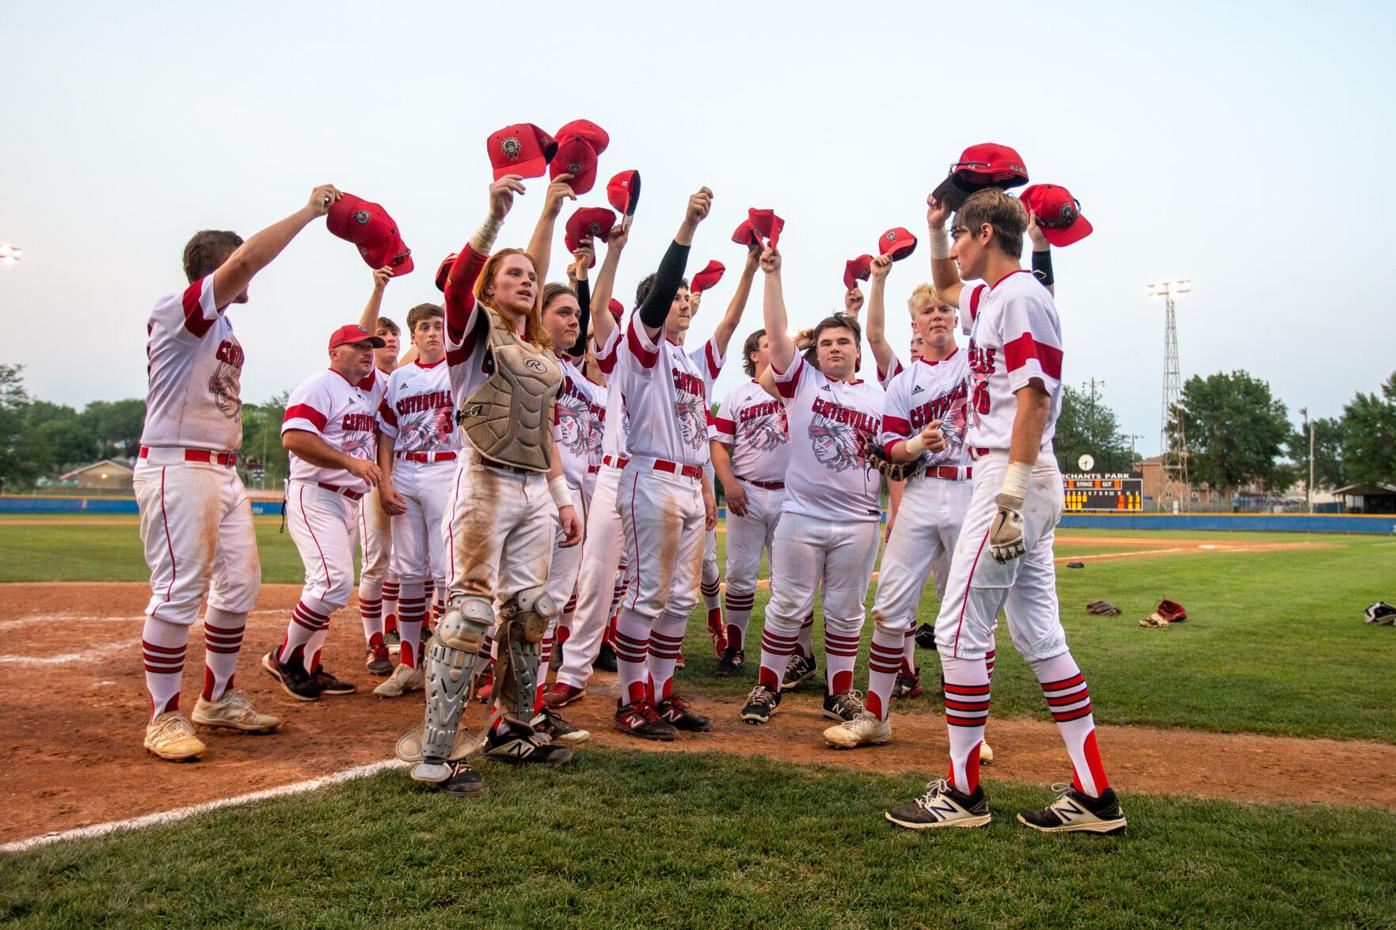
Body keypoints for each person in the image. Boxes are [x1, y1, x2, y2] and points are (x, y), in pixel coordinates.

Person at [884, 188, 1125, 834]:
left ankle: (962, 794)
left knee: (960, 629)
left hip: (1010, 474)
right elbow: (944, 280)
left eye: (962, 235)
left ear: (986, 233)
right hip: (1016, 474)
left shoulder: (1019, 297)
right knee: (1041, 638)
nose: (956, 249)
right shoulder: (996, 296)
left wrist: (1010, 495)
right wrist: (935, 230)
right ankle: (1095, 795)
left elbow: (1034, 402)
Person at [134, 184, 338, 760]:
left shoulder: (221, 327)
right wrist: (309, 211)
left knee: (238, 587)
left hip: (219, 471)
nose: (251, 276)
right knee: (177, 593)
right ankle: (162, 718)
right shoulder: (179, 309)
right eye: (239, 266)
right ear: (221, 268)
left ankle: (217, 698)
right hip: (178, 466)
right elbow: (247, 259)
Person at [398, 173, 583, 798]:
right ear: (488, 287)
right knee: (472, 610)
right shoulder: (470, 331)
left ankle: (513, 726)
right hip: (481, 482)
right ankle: (436, 753)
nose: (527, 281)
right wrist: (495, 218)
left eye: (532, 276)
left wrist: (562, 497)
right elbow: (457, 285)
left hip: (533, 486)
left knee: (531, 610)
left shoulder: (536, 348)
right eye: (513, 276)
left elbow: (544, 425)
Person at [611, 186, 748, 740]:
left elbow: (732, 325)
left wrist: (749, 267)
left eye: (690, 300)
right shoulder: (640, 351)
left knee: (681, 599)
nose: (684, 303)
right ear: (655, 308)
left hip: (690, 486)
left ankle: (662, 695)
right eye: (677, 299)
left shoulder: (694, 363)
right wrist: (687, 227)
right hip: (651, 477)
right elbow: (661, 289)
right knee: (646, 592)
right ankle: (630, 700)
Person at [824, 272, 975, 750]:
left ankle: (973, 730)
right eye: (928, 311)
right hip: (924, 491)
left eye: (944, 309)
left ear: (957, 316)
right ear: (915, 322)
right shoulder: (904, 381)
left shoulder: (976, 362)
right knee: (890, 609)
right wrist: (914, 443)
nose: (937, 317)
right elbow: (888, 444)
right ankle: (877, 716)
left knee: (968, 617)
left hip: (972, 488)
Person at [740, 245, 885, 728]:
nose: (835, 348)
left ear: (858, 350)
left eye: (844, 341)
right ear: (815, 352)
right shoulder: (802, 383)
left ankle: (838, 693)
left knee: (846, 612)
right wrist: (773, 276)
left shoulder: (879, 395)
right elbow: (779, 344)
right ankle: (768, 686)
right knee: (787, 605)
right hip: (801, 515)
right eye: (826, 343)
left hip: (859, 520)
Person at [263, 323, 386, 700]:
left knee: (320, 585)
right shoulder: (319, 385)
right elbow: (294, 437)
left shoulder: (359, 394)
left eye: (371, 347)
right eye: (358, 346)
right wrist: (348, 462)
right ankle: (284, 658)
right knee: (334, 582)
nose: (367, 352)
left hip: (346, 499)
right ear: (334, 352)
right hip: (317, 493)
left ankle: (310, 667)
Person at [371, 301, 456, 699]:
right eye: (425, 327)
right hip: (406, 468)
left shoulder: (458, 368)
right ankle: (408, 662)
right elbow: (386, 434)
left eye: (439, 325)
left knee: (444, 570)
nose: (434, 333)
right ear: (414, 334)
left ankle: (444, 662)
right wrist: (385, 482)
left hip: (447, 467)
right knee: (407, 570)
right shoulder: (398, 378)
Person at [708, 326, 789, 676]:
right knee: (741, 575)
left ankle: (793, 655)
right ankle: (734, 649)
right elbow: (718, 446)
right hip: (748, 493)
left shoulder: (796, 390)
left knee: (790, 580)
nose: (779, 349)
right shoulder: (737, 396)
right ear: (755, 355)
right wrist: (729, 485)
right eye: (771, 345)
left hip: (791, 494)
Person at [354, 270, 401, 677]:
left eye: (393, 337)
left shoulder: (405, 377)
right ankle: (374, 640)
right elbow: (361, 332)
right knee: (378, 560)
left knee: (409, 563)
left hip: (411, 471)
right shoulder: (373, 380)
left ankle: (397, 629)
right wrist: (379, 289)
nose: (388, 342)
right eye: (381, 338)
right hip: (374, 473)